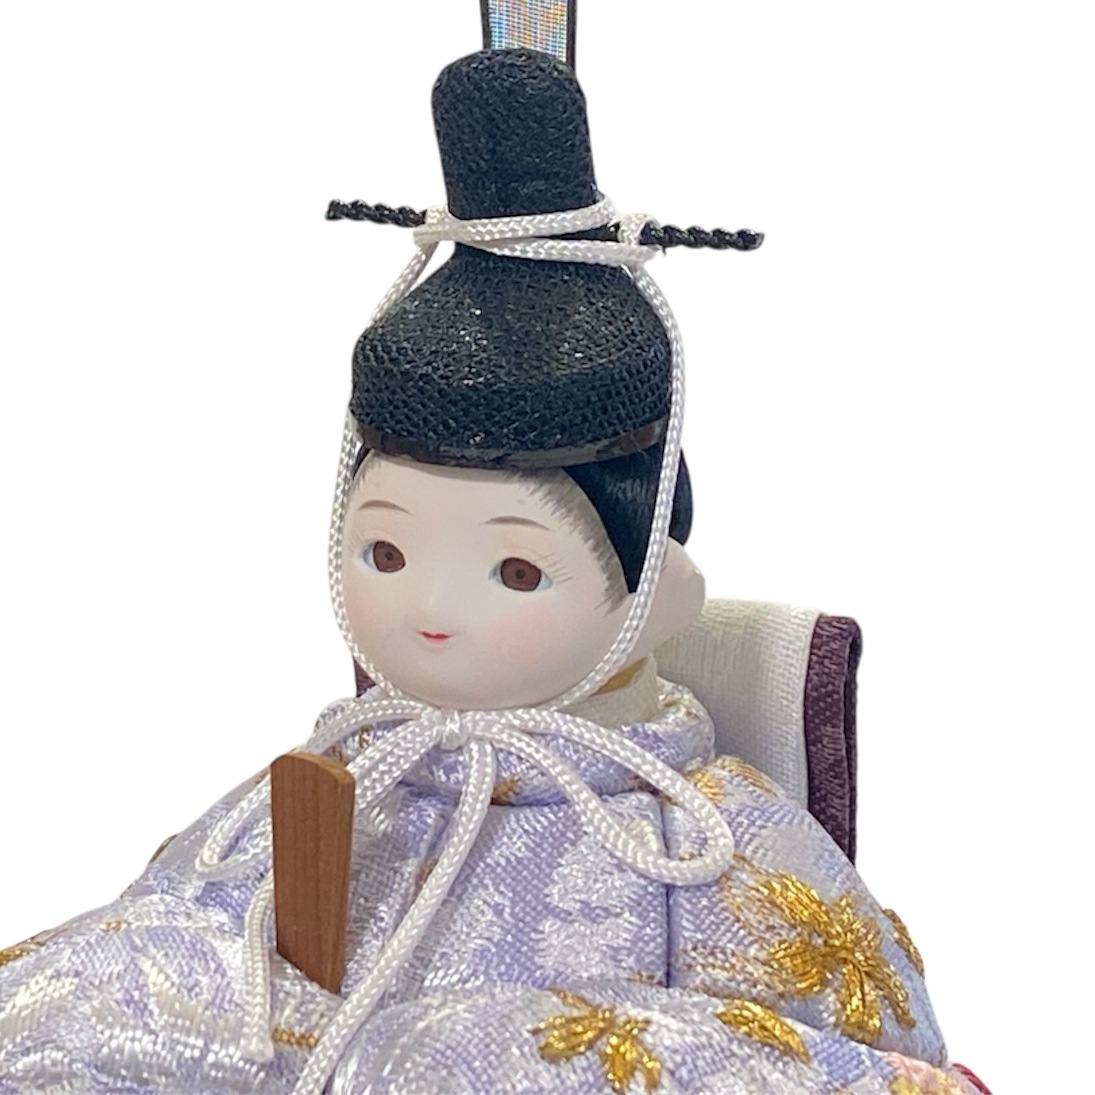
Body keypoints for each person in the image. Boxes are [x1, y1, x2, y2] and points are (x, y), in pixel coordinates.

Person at [0, 47, 988, 1095]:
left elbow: (868, 1058)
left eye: (516, 570)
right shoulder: (338, 783)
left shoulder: (706, 844)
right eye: (385, 553)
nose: (430, 607)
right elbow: (165, 949)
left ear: (658, 592)